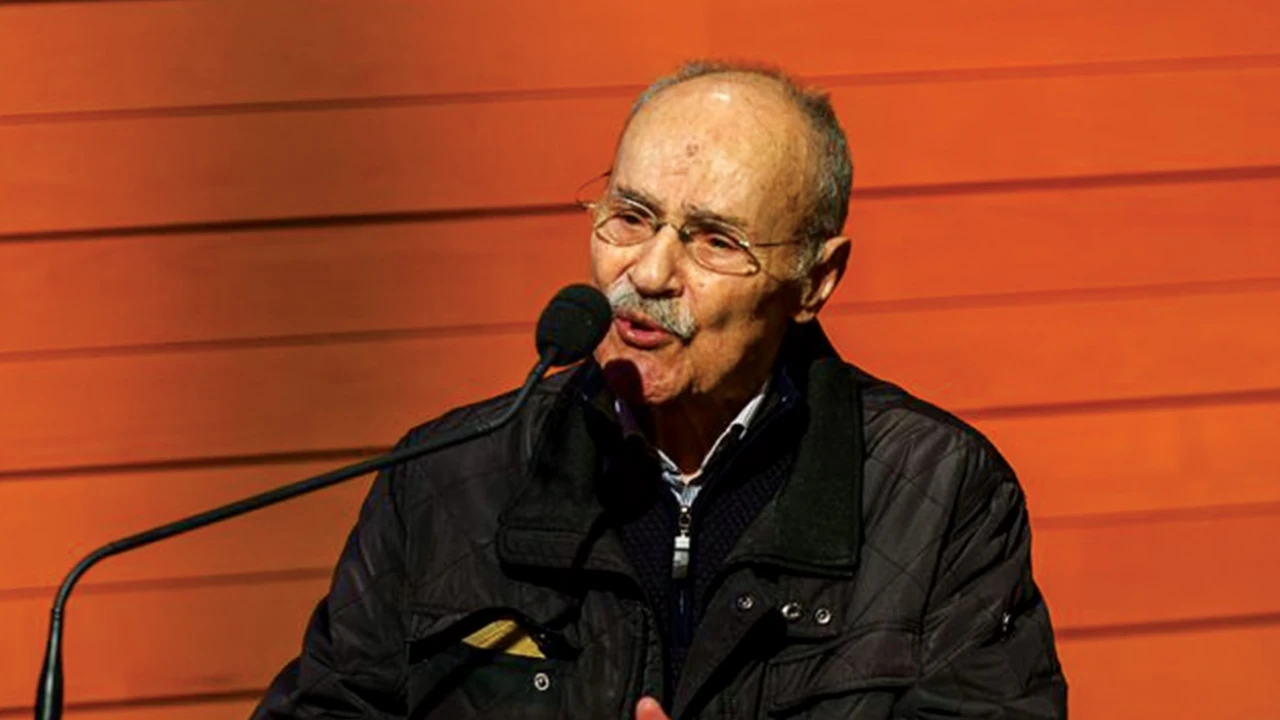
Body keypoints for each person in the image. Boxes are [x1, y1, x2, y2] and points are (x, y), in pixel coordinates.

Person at [254, 60, 1067, 719]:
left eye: (715, 241)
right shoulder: (446, 480)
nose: (647, 274)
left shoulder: (937, 495)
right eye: (632, 216)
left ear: (815, 280)